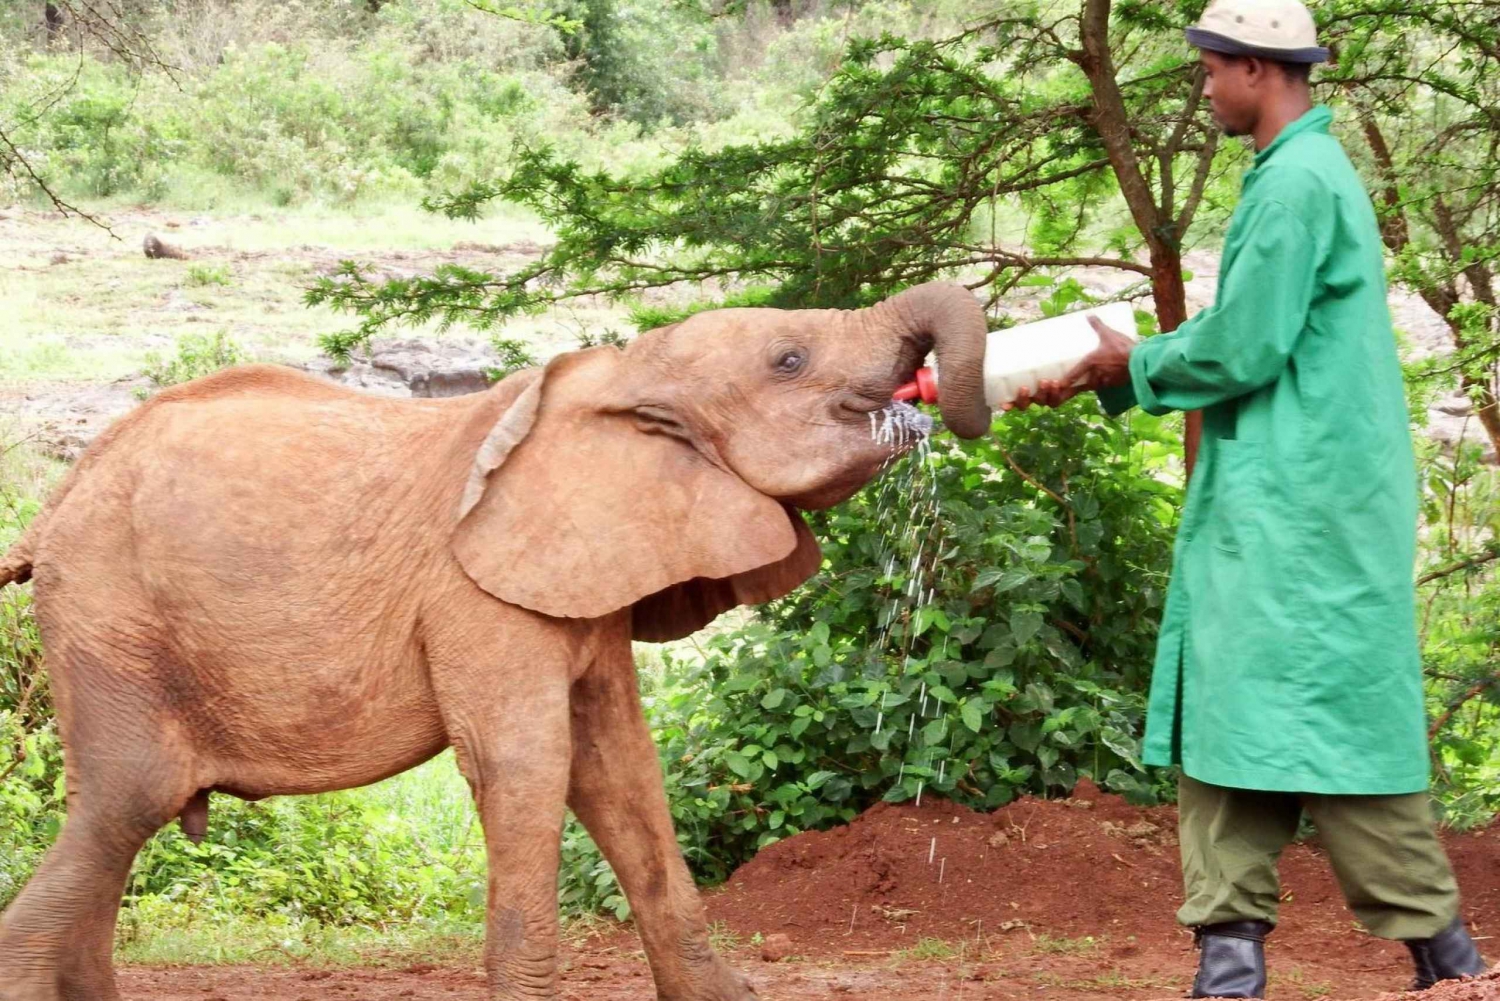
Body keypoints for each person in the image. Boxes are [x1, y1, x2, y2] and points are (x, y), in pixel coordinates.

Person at [1010, 0, 1490, 995]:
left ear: (1259, 73)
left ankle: (1448, 966)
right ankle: (1234, 966)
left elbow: (1243, 345)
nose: (1205, 87)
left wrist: (1128, 362)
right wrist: (1129, 369)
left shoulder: (1294, 187)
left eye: (1213, 70)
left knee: (1328, 724)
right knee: (1229, 710)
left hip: (1298, 505)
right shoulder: (1303, 175)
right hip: (1290, 493)